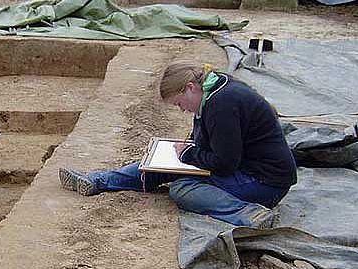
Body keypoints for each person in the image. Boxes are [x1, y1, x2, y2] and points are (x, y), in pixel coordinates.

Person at [59, 61, 297, 228]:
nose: (181, 109)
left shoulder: (222, 104)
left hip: (264, 184)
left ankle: (248, 213)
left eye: (179, 103)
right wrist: (188, 152)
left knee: (182, 188)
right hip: (244, 169)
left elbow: (224, 164)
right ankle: (99, 181)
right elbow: (213, 143)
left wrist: (189, 155)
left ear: (190, 88)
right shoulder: (214, 90)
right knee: (159, 166)